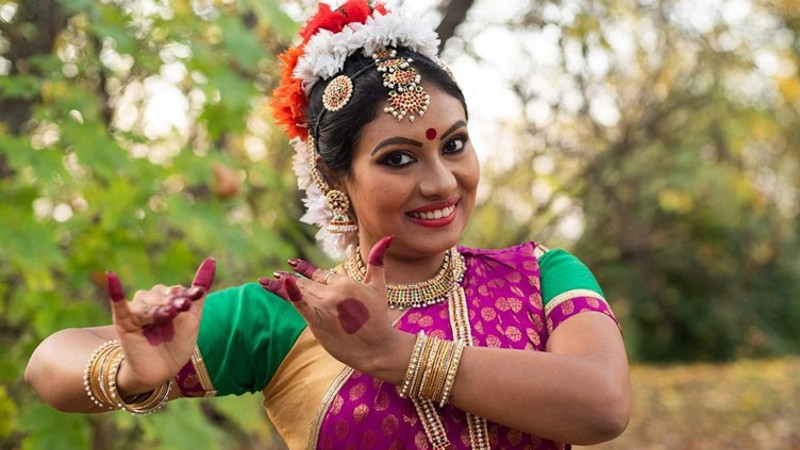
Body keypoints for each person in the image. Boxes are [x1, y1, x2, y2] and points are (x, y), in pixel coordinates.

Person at [25, 1, 631, 449]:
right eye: (398, 158)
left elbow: (603, 406)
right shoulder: (288, 313)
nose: (442, 181)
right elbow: (48, 362)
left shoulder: (541, 274)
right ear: (336, 177)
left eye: (454, 144)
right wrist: (130, 371)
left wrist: (396, 354)